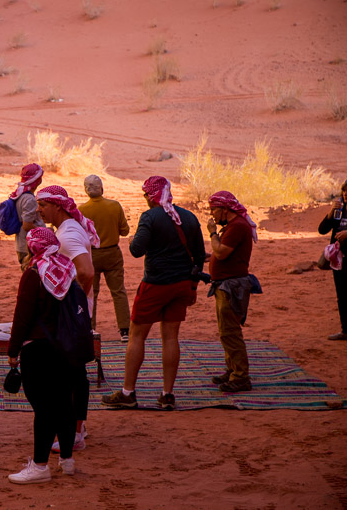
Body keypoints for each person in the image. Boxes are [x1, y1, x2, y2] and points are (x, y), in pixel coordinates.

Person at [102, 176, 205, 410]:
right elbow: (199, 255)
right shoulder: (189, 217)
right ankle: (167, 394)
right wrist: (192, 286)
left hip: (155, 283)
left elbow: (136, 250)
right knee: (171, 336)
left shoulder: (150, 217)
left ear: (152, 195)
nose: (145, 199)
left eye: (146, 194)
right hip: (181, 284)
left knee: (137, 334)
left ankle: (128, 392)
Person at [6, 227, 79, 484]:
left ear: (34, 247)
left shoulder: (33, 275)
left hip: (38, 350)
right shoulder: (68, 269)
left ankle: (39, 467)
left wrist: (13, 351)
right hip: (68, 348)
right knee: (64, 404)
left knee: (44, 409)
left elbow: (22, 317)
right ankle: (67, 461)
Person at [35, 185, 98, 453]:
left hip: (72, 316)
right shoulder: (69, 229)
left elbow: (86, 272)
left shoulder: (68, 234)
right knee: (75, 373)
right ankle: (77, 429)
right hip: (78, 314)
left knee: (70, 374)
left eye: (43, 205)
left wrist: (73, 305)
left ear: (57, 206)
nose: (39, 210)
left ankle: (74, 434)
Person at [206, 191, 258, 392]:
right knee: (226, 332)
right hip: (226, 284)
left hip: (231, 286)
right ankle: (232, 369)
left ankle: (241, 376)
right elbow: (221, 253)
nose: (212, 215)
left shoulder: (236, 227)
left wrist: (212, 233)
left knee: (230, 332)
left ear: (224, 209)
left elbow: (221, 252)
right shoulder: (233, 226)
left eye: (213, 210)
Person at [78, 175, 131, 343]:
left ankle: (90, 329)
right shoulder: (114, 206)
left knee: (90, 293)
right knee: (118, 292)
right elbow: (124, 231)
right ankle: (125, 331)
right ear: (101, 188)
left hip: (91, 255)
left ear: (86, 190)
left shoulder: (82, 210)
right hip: (112, 254)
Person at [319, 178, 347, 343]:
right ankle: (346, 331)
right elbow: (322, 230)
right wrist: (329, 214)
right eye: (344, 191)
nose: (345, 194)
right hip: (339, 260)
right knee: (342, 295)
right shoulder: (339, 211)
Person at [10, 163, 45, 267]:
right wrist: (45, 232)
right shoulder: (29, 199)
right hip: (28, 247)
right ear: (37, 180)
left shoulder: (21, 194)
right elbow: (27, 225)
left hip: (23, 244)